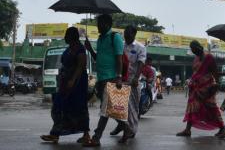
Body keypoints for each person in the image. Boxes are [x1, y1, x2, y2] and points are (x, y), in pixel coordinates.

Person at [40, 27, 90, 143]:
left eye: (67, 35)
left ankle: (86, 134)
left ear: (72, 36)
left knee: (79, 107)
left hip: (77, 83)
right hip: (65, 82)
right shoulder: (69, 49)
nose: (65, 38)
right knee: (58, 107)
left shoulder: (80, 49)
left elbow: (81, 66)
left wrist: (72, 80)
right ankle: (55, 134)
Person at [83, 14, 124, 146]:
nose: (97, 26)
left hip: (111, 78)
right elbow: (97, 58)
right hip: (101, 78)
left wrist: (119, 77)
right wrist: (90, 49)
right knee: (109, 108)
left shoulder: (115, 37)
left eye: (99, 23)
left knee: (105, 109)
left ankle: (96, 137)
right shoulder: (100, 39)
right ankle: (126, 128)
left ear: (107, 24)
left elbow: (119, 59)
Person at [176, 40, 225, 137]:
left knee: (211, 107)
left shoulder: (209, 57)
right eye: (192, 50)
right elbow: (195, 72)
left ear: (199, 47)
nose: (194, 51)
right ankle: (187, 130)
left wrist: (217, 85)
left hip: (207, 87)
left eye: (194, 49)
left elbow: (215, 72)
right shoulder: (196, 58)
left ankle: (223, 128)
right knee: (191, 106)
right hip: (195, 87)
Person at [110, 25, 146, 143]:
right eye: (124, 33)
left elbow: (141, 63)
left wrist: (136, 77)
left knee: (132, 109)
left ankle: (130, 131)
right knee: (117, 107)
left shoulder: (140, 47)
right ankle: (123, 126)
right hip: (121, 80)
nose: (125, 36)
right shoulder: (122, 45)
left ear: (134, 34)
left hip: (133, 82)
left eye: (128, 34)